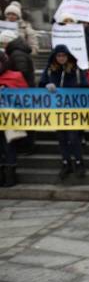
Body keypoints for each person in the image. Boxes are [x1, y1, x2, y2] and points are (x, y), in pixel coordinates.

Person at [39, 44, 89, 179]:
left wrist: (75, 90)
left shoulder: (76, 70)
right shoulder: (50, 70)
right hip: (57, 111)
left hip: (73, 109)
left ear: (68, 56)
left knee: (73, 137)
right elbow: (40, 84)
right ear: (55, 57)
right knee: (61, 137)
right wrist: (46, 86)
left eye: (64, 55)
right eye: (59, 55)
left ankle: (79, 162)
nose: (61, 58)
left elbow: (86, 86)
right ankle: (66, 162)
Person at [0, 51, 28, 187]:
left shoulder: (15, 76)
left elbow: (26, 96)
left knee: (9, 147)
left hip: (11, 120)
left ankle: (10, 175)